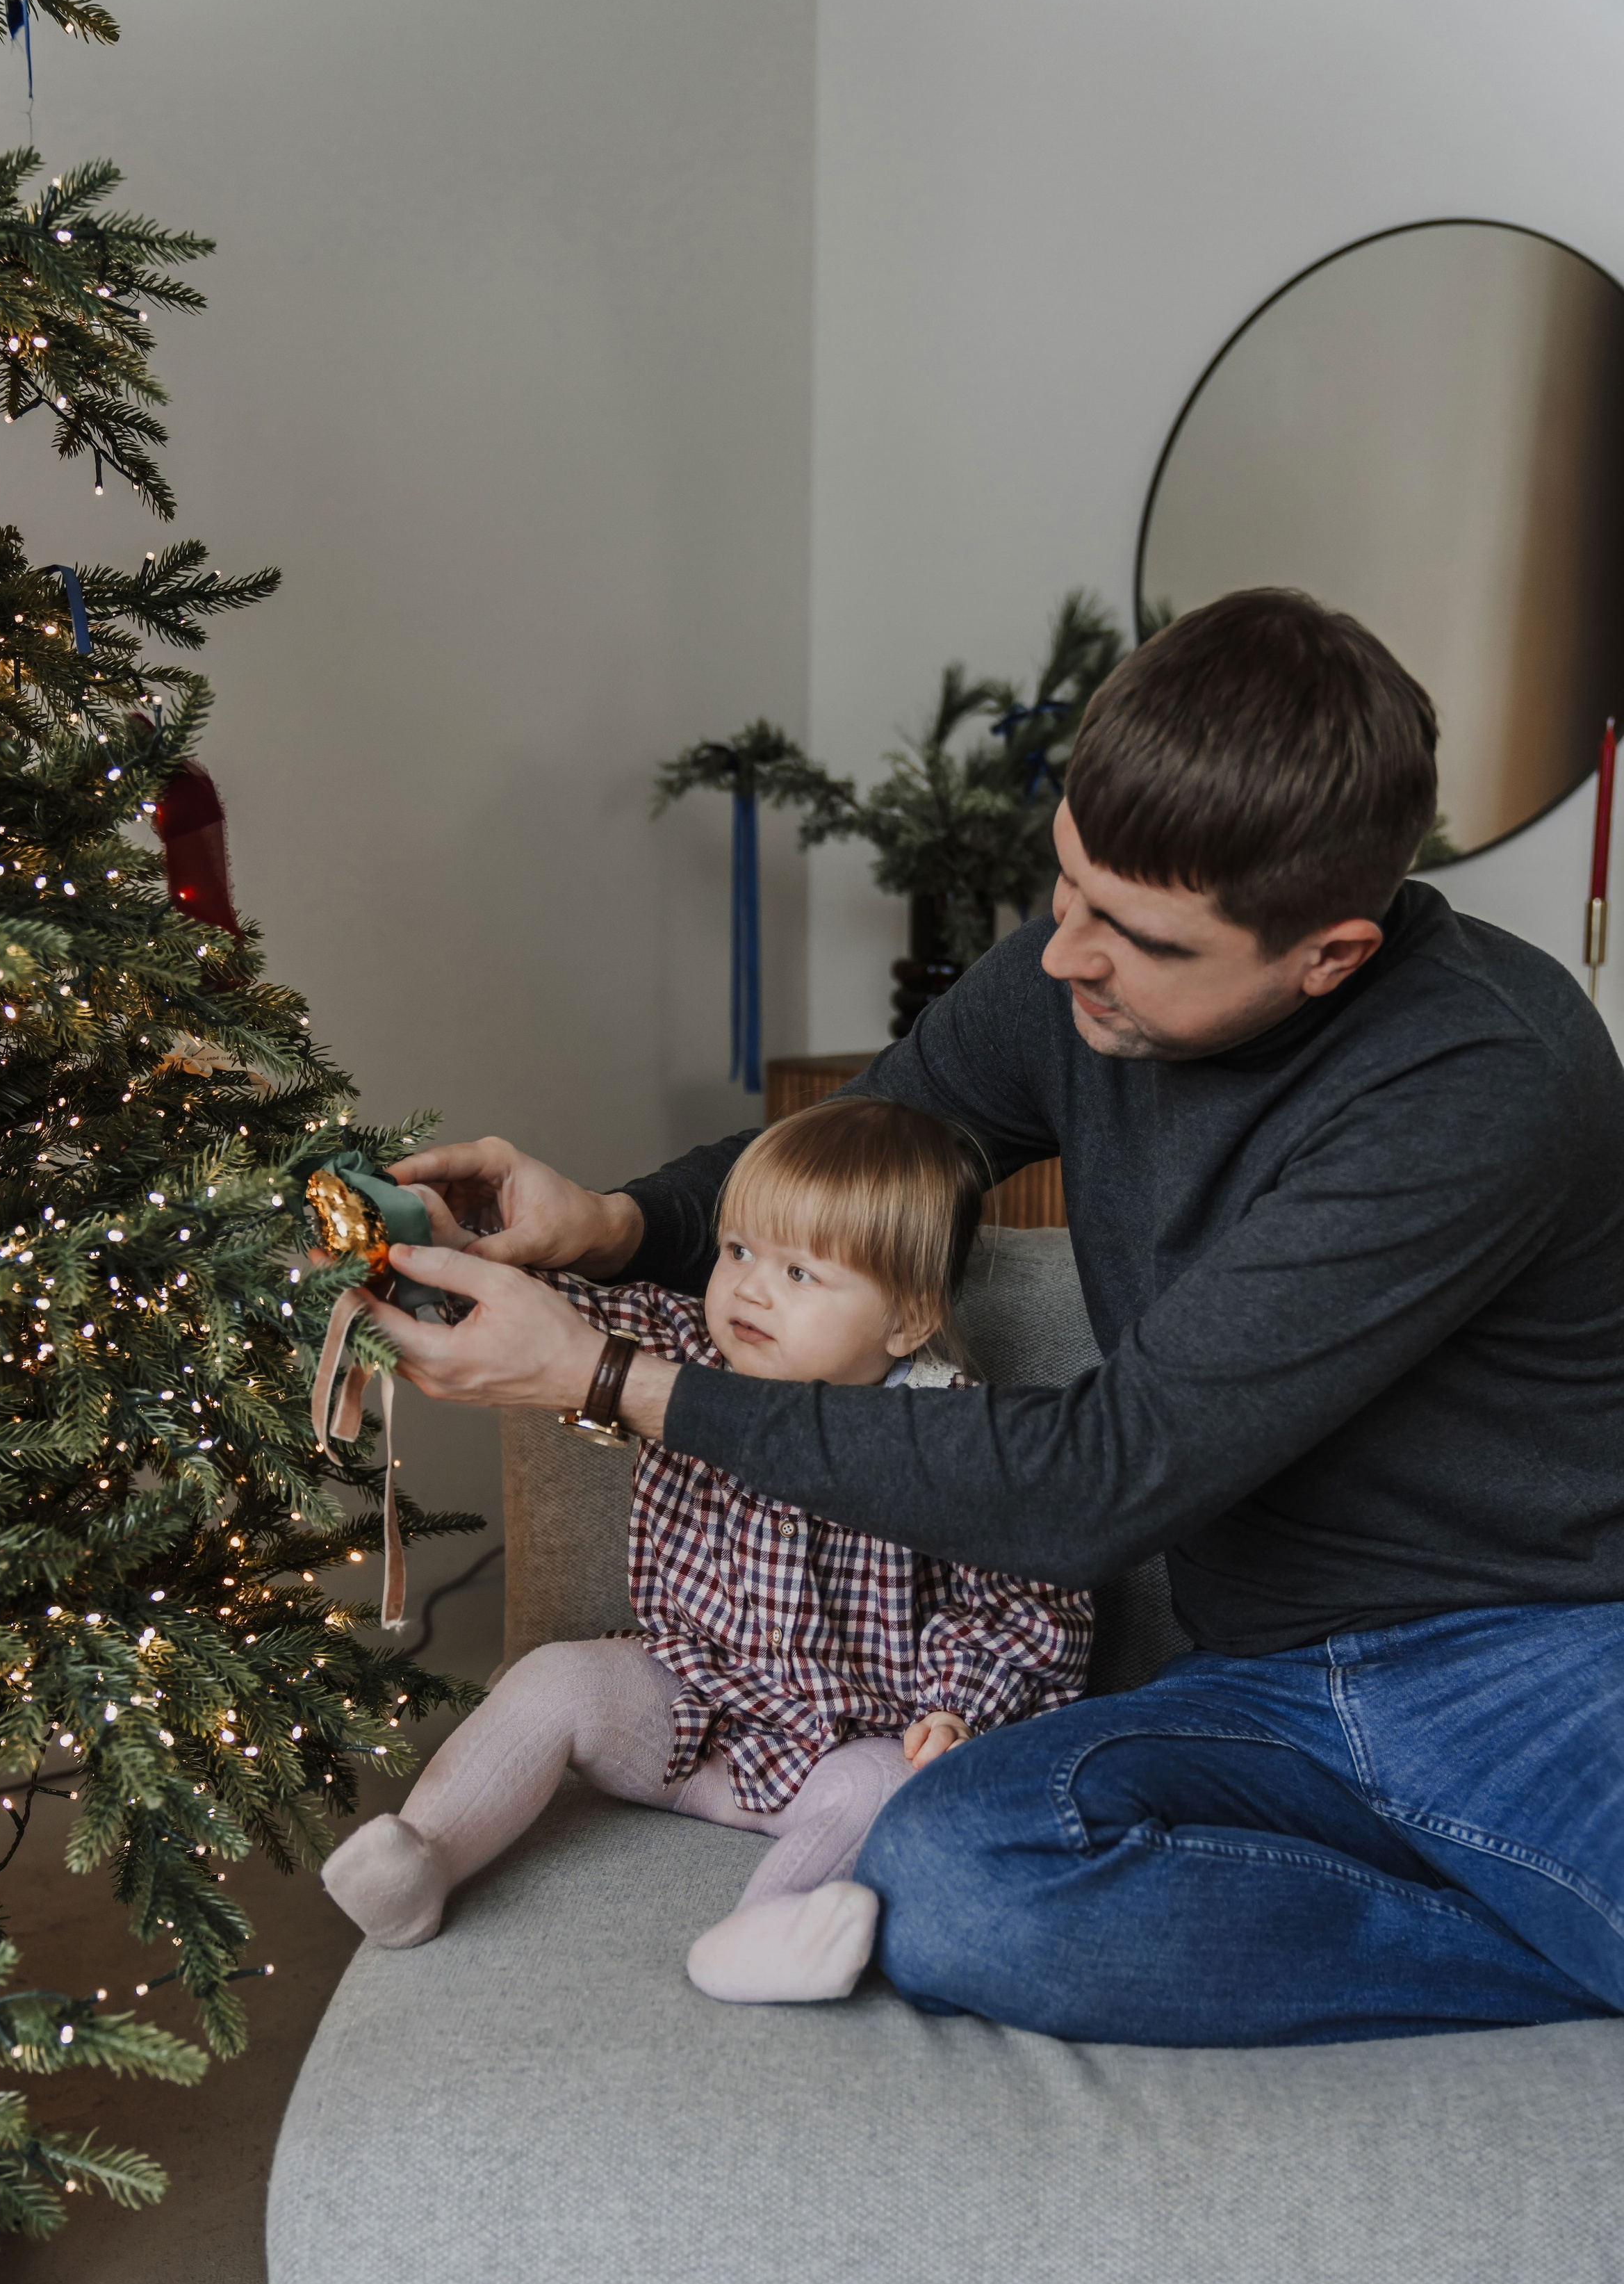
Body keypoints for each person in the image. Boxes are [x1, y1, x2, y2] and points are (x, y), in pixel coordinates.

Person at [362, 586, 1624, 2049]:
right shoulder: (1069, 985)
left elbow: (1100, 1480)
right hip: (1262, 1694)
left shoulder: (1481, 1078)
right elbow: (865, 1146)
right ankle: (1536, 1935)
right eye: (1067, 885)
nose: (1063, 951)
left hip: (1535, 1665)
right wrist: (617, 1225)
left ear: (1326, 955)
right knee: (952, 1879)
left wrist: (610, 1377)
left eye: (1133, 934)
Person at [322, 1098, 1092, 2003]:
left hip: (848, 1737)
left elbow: (1026, 1599)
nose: (750, 1290)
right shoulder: (689, 1351)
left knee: (893, 1792)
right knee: (554, 1680)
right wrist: (437, 1270)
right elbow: (567, 1321)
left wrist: (958, 1710)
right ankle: (427, 1856)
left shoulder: (951, 1429)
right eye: (738, 1252)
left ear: (905, 1319)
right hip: (689, 1712)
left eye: (801, 1274)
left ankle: (764, 1929)